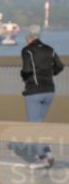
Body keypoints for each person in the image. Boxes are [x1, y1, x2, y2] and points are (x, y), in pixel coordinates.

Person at [21, 25, 64, 169]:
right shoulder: (49, 49)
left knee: (35, 125)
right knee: (39, 123)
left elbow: (26, 69)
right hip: (49, 91)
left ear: (29, 39)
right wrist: (49, 75)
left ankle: (44, 157)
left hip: (34, 91)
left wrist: (24, 76)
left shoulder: (27, 50)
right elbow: (60, 66)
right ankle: (45, 153)